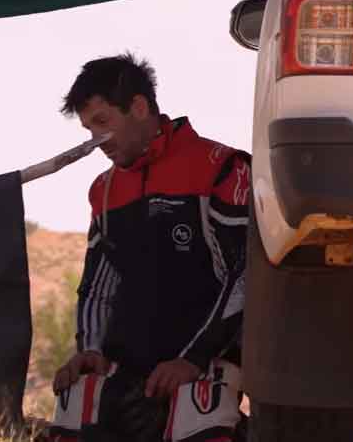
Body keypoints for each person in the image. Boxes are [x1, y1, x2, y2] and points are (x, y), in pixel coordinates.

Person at [46, 54, 251, 442]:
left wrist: (192, 359)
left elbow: (244, 275)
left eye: (103, 123)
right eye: (89, 129)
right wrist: (89, 349)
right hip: (128, 363)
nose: (96, 141)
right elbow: (97, 284)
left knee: (199, 414)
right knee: (74, 403)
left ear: (139, 107)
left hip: (206, 359)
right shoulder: (103, 190)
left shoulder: (221, 166)